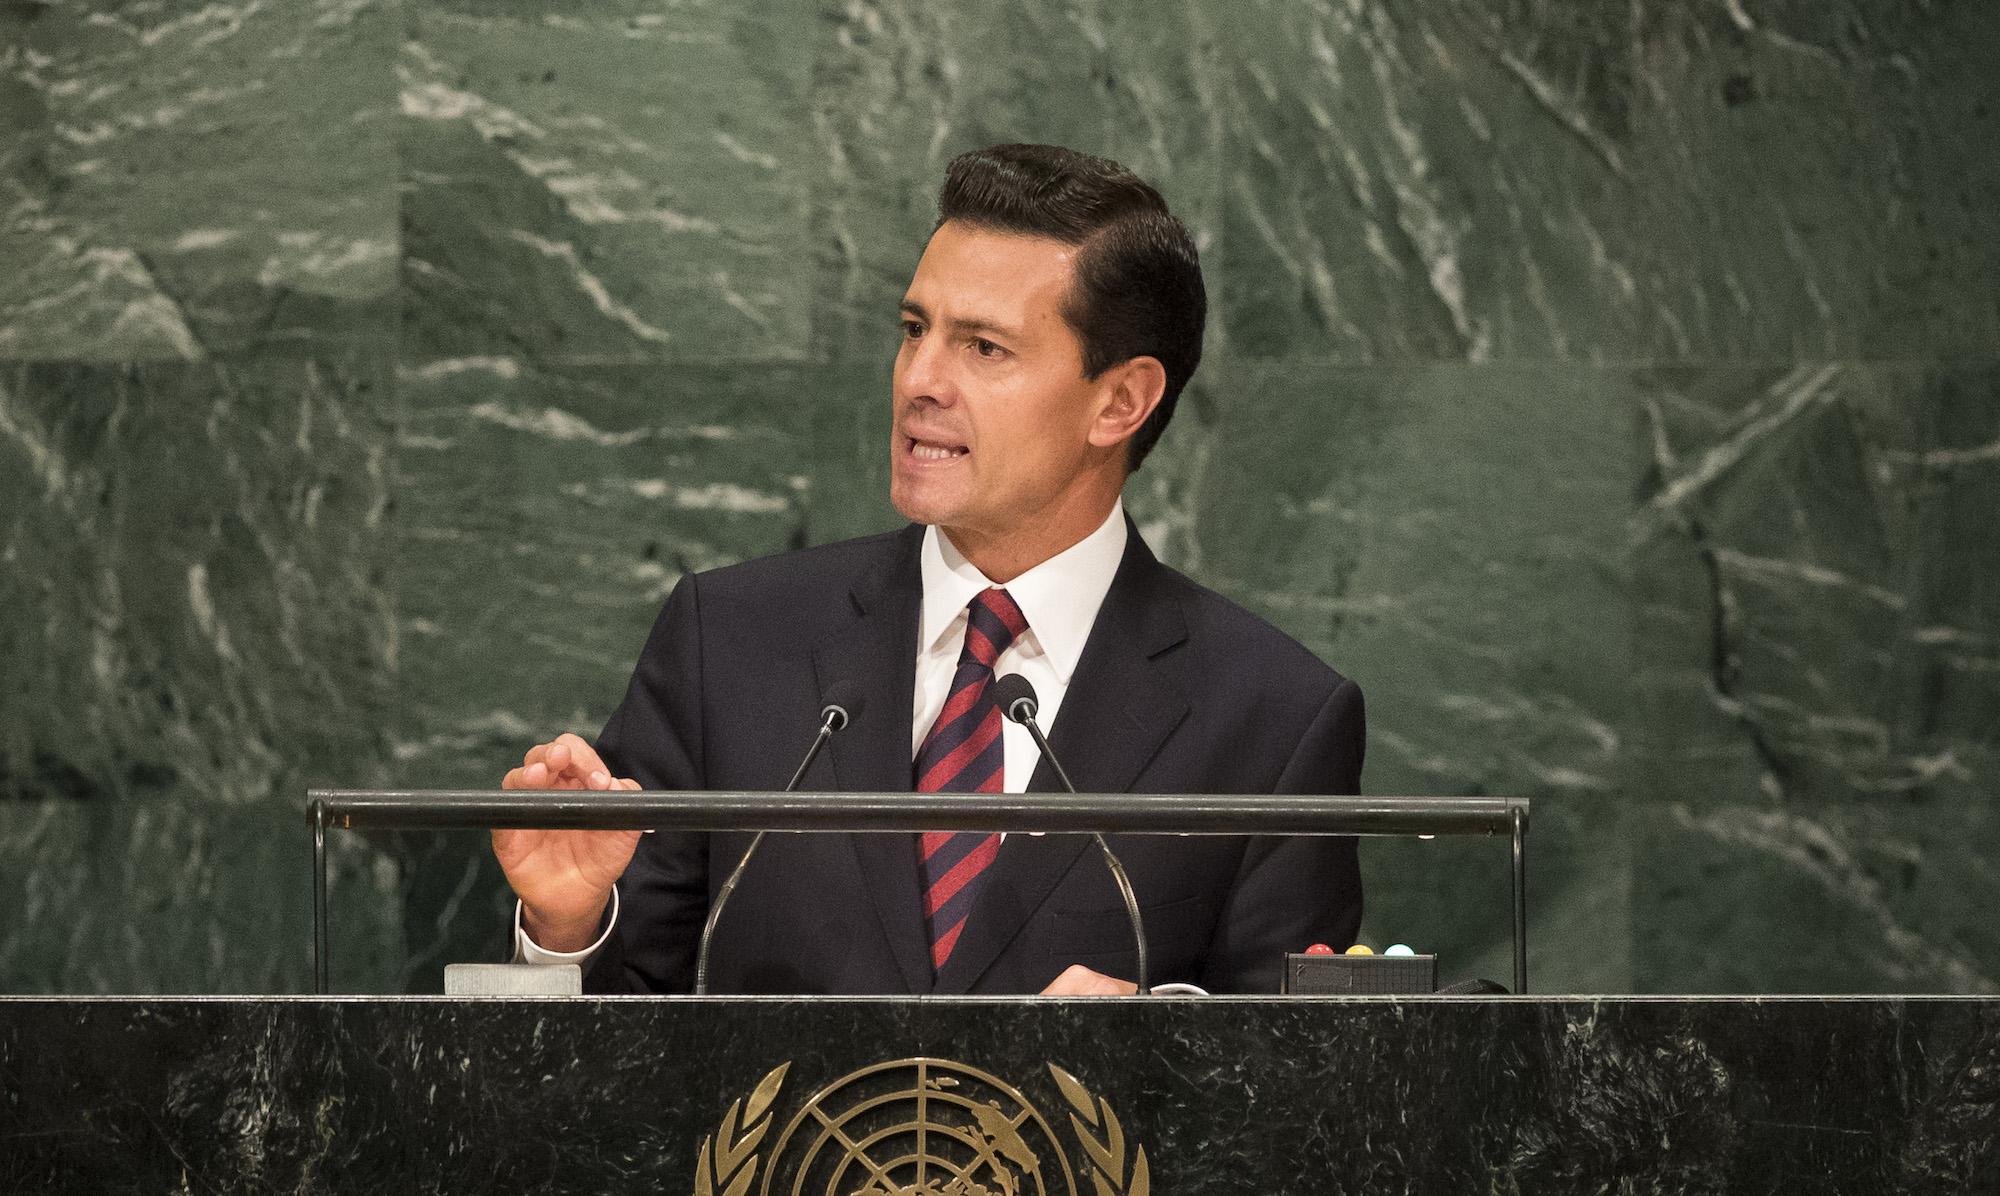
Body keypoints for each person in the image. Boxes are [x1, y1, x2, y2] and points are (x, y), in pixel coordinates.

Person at [492, 144, 1364, 996]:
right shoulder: (728, 643)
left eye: (984, 348)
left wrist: (1154, 1048)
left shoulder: (1273, 723)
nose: (920, 379)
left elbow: (1297, 1078)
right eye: (915, 331)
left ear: (1120, 401)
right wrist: (567, 928)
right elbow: (619, 1034)